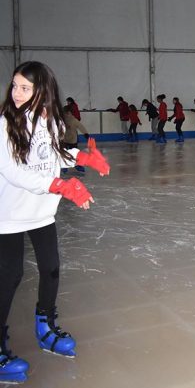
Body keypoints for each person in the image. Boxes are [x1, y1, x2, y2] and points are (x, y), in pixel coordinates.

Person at [0, 61, 111, 384]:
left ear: (42, 92)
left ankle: (45, 325)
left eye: (25, 88)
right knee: (10, 276)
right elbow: (13, 171)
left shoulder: (50, 122)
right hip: (9, 214)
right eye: (14, 86)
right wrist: (59, 185)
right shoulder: (5, 125)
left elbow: (52, 155)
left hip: (41, 212)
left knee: (51, 268)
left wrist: (83, 157)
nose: (16, 93)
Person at [61, 104, 89, 175]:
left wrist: (86, 134)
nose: (66, 115)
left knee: (75, 154)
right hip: (64, 140)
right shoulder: (62, 120)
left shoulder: (74, 120)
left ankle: (79, 166)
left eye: (67, 113)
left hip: (73, 140)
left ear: (69, 113)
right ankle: (64, 167)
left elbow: (81, 127)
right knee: (64, 153)